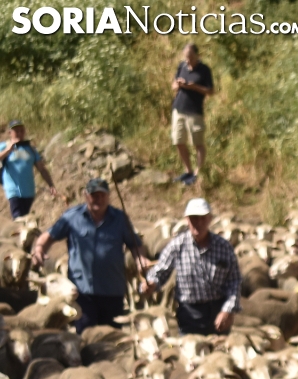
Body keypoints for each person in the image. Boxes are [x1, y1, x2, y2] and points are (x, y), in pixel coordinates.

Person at [34, 178, 149, 332]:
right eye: (94, 195)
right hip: (82, 291)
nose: (99, 199)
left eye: (102, 195)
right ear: (86, 195)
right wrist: (39, 249)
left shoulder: (120, 218)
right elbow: (48, 237)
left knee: (112, 337)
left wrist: (141, 260)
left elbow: (135, 245)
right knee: (86, 336)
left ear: (108, 196)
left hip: (112, 290)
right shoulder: (72, 217)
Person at [143, 198, 240, 335]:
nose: (198, 223)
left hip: (218, 313)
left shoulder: (224, 247)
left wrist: (228, 310)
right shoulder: (177, 246)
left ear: (210, 219)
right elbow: (160, 271)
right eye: (194, 218)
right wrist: (151, 283)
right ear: (187, 220)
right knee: (191, 347)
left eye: (203, 218)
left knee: (220, 348)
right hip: (189, 315)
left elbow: (234, 281)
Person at [170, 43, 214, 186]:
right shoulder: (182, 66)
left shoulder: (204, 70)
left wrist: (193, 87)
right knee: (178, 141)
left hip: (194, 112)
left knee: (198, 143)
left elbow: (210, 91)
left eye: (190, 57)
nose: (188, 60)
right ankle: (188, 171)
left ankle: (198, 173)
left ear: (197, 55)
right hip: (178, 109)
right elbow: (173, 84)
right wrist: (177, 85)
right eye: (186, 57)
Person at [0, 120, 57, 219]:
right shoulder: (3, 146)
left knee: (27, 218)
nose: (19, 133)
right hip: (13, 190)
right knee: (18, 218)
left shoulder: (31, 149)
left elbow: (42, 169)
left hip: (29, 191)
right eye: (16, 131)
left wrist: (50, 184)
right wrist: (8, 150)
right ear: (10, 133)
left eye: (21, 130)